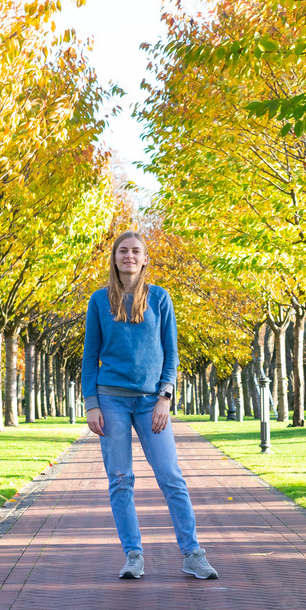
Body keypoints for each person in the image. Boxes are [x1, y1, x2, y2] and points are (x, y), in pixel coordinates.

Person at [82, 230, 218, 581]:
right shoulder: (99, 301)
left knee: (171, 478)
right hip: (110, 398)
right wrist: (91, 404)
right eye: (123, 251)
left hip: (151, 402)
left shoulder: (160, 299)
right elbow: (89, 357)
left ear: (145, 259)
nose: (129, 256)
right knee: (121, 479)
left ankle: (192, 554)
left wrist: (165, 396)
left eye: (136, 251)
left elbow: (171, 353)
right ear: (114, 258)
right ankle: (133, 555)